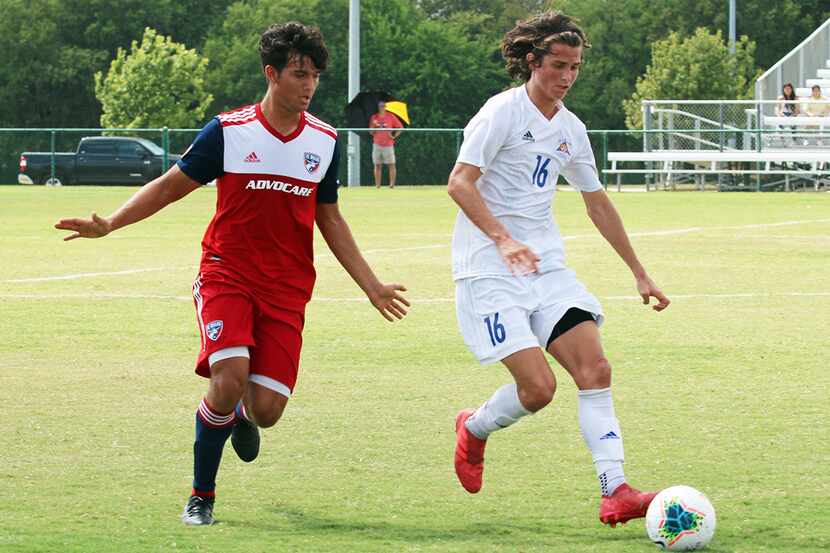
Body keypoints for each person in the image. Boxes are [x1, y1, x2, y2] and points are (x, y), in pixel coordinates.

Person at [54, 22, 409, 526]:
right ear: (272, 73)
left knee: (266, 409)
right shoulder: (229, 131)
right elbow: (169, 186)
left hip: (287, 288)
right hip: (227, 274)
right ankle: (202, 495)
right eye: (299, 74)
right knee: (228, 377)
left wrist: (371, 285)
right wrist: (111, 222)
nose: (308, 86)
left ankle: (241, 416)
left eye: (315, 77)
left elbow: (329, 219)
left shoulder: (324, 141)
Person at [446, 11, 670, 527]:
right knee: (539, 391)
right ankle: (475, 428)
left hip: (546, 270)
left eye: (576, 67)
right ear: (533, 62)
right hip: (488, 270)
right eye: (559, 66)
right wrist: (502, 240)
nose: (567, 77)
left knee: (596, 369)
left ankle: (614, 490)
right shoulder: (500, 112)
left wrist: (639, 271)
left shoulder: (571, 128)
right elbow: (460, 183)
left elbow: (596, 203)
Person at [369, 101, 403, 188]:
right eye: (380, 106)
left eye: (383, 106)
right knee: (377, 165)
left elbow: (400, 127)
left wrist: (394, 136)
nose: (382, 108)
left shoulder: (391, 116)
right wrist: (374, 126)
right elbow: (371, 132)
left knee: (391, 164)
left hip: (388, 145)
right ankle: (377, 185)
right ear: (378, 107)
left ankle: (392, 184)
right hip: (377, 144)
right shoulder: (374, 117)